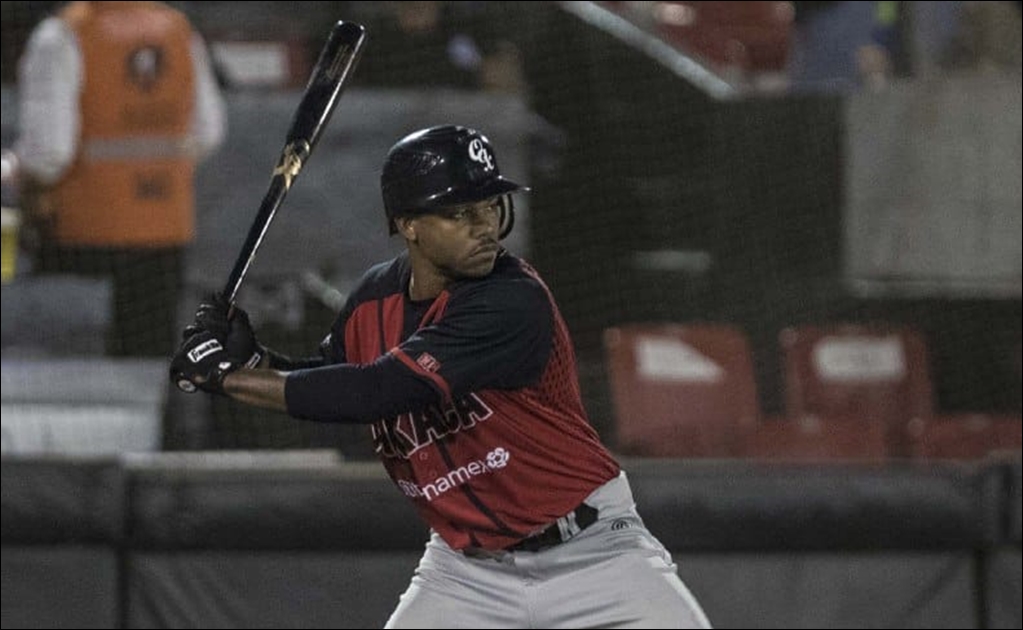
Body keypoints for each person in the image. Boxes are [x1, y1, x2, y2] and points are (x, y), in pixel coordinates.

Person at [170, 125, 712, 629]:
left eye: (488, 206)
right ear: (408, 225)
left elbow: (377, 391)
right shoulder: (372, 300)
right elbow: (329, 381)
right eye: (459, 213)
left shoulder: (511, 299)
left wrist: (224, 378)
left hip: (594, 554)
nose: (484, 227)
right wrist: (254, 362)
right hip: (466, 573)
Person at [12, 0, 226, 356]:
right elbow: (208, 132)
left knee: (82, 384)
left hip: (83, 238)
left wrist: (19, 172)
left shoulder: (64, 35)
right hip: (165, 233)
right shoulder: (177, 31)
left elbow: (49, 152)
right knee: (150, 368)